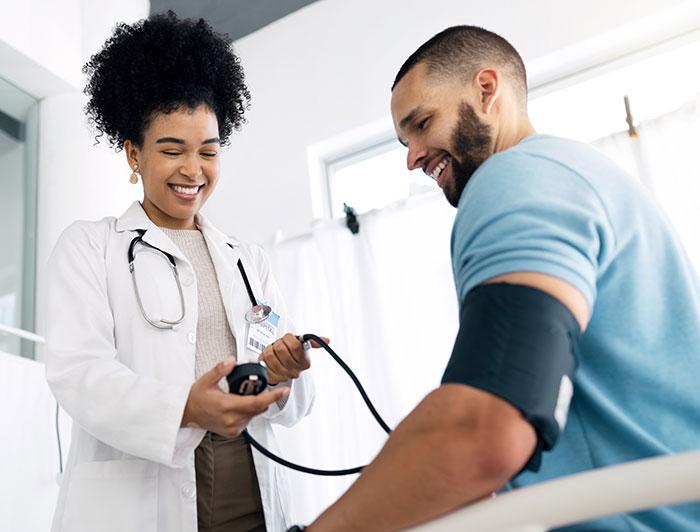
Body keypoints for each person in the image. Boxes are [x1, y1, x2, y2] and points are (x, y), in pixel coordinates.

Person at [301, 25, 700, 531]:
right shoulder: (581, 173)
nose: (412, 156)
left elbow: (488, 429)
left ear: (486, 91)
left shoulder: (513, 178)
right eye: (405, 140)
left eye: (422, 123)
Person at [45, 12, 323, 532]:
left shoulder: (246, 258)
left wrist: (283, 372)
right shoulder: (89, 246)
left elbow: (289, 403)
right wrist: (184, 408)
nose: (193, 170)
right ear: (133, 153)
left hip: (249, 473)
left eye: (208, 152)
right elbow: (78, 374)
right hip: (146, 480)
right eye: (172, 150)